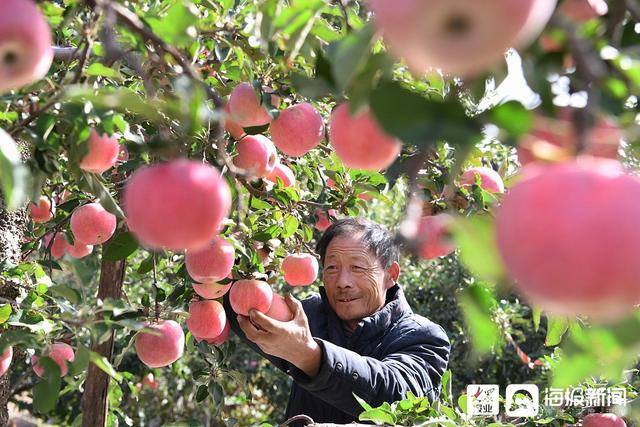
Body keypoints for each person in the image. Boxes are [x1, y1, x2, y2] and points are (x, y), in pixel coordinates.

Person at [223, 218, 450, 426]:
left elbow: (396, 395)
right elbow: (245, 307)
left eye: (357, 267)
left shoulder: (424, 337)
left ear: (391, 274)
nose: (343, 282)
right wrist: (235, 257)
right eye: (332, 267)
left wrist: (309, 355)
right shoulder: (310, 316)